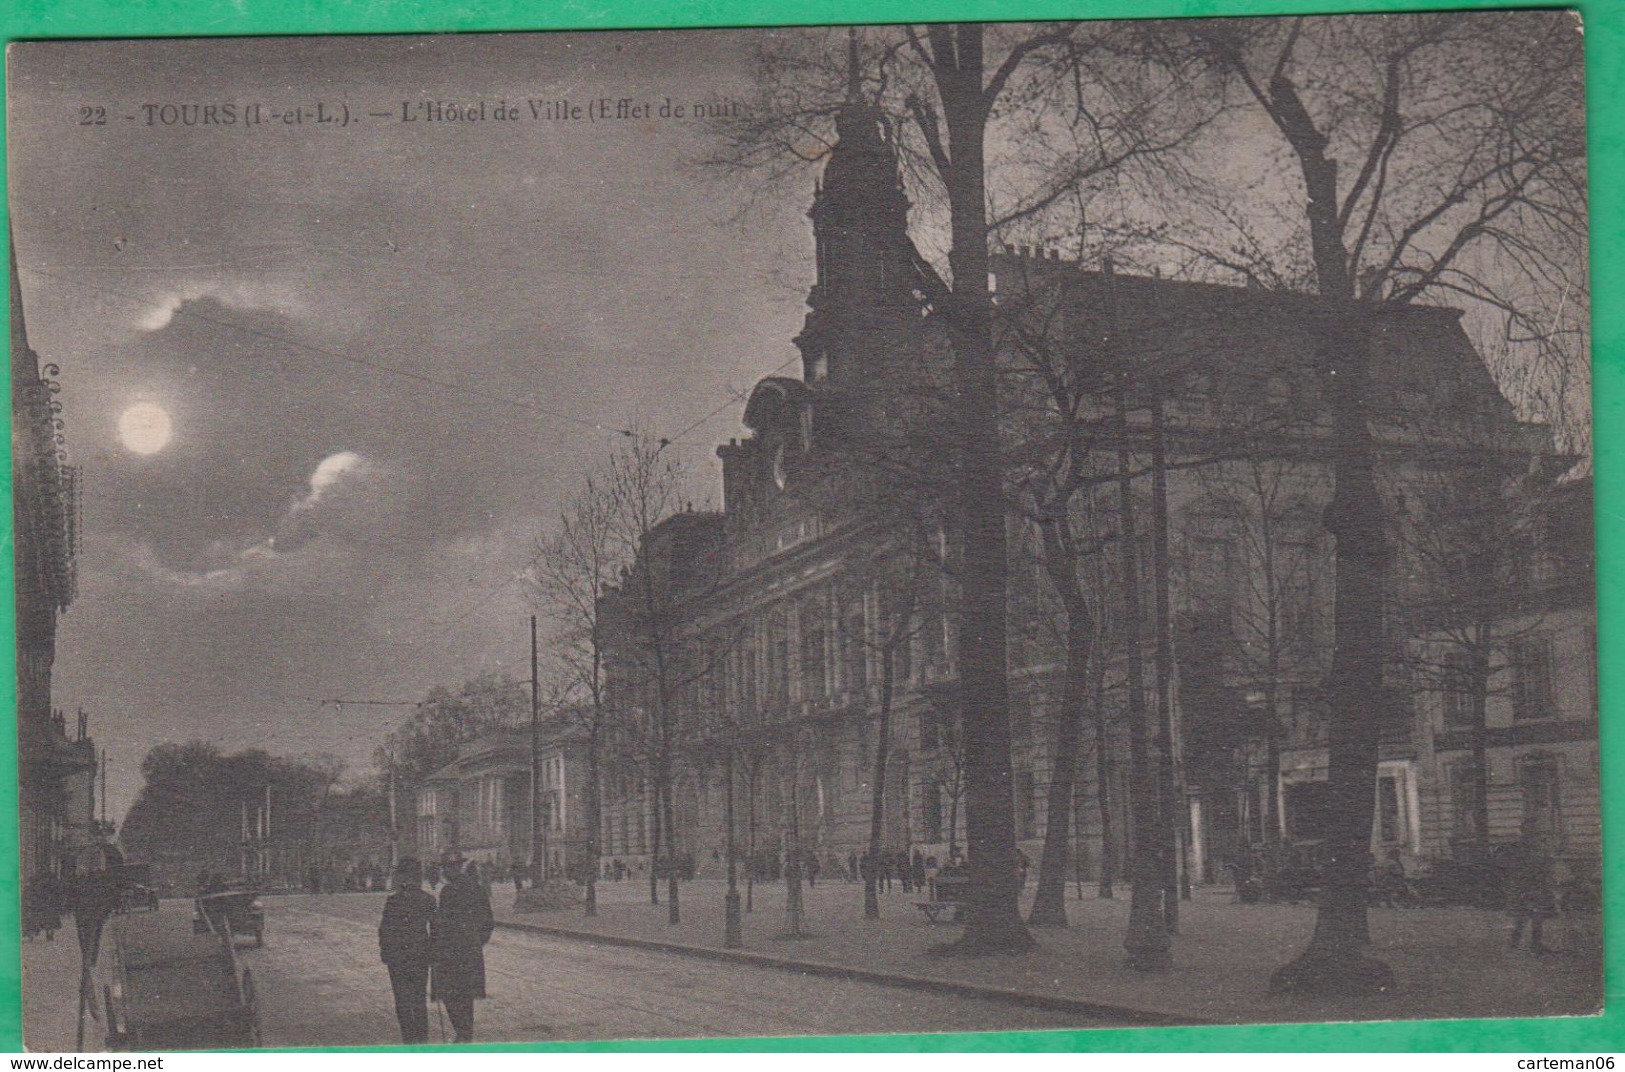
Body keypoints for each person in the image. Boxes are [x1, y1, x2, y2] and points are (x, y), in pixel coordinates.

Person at [432, 857, 494, 1042]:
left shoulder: (448, 891)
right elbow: (488, 922)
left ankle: (462, 1035)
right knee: (466, 996)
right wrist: (476, 941)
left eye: (445, 868)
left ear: (454, 869)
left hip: (450, 953)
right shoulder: (478, 889)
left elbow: (442, 924)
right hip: (470, 951)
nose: (443, 873)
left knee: (450, 994)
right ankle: (465, 1034)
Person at [378, 857, 436, 1045]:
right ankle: (422, 1041)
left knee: (402, 1001)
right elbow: (437, 930)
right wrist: (433, 953)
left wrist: (386, 953)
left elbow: (385, 929)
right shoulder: (428, 899)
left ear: (403, 876)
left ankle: (409, 1041)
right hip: (420, 956)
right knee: (419, 1000)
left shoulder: (393, 901)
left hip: (398, 958)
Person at [1507, 835, 1559, 954]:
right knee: (1523, 917)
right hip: (1528, 888)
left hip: (1537, 888)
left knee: (1537, 917)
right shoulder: (1524, 852)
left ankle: (1535, 943)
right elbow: (1522, 870)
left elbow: (1546, 867)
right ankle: (1515, 943)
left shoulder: (1539, 849)